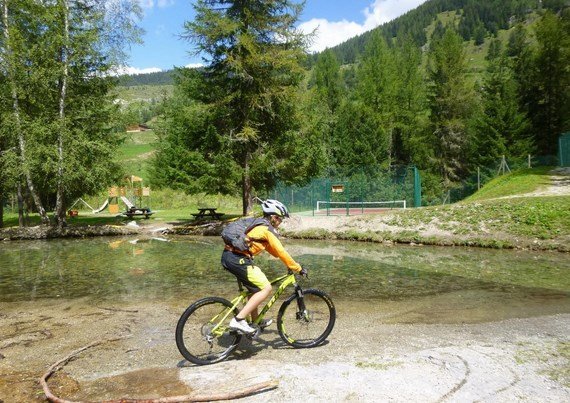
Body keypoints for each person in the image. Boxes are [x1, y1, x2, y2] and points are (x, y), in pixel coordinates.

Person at [221, 199, 305, 334]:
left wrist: (289, 263)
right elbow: (281, 252)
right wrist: (298, 268)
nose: (280, 222)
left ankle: (256, 322)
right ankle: (238, 320)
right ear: (273, 217)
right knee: (266, 288)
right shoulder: (266, 229)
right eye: (280, 219)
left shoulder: (260, 226)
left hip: (231, 257)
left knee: (254, 290)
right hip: (237, 259)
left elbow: (275, 252)